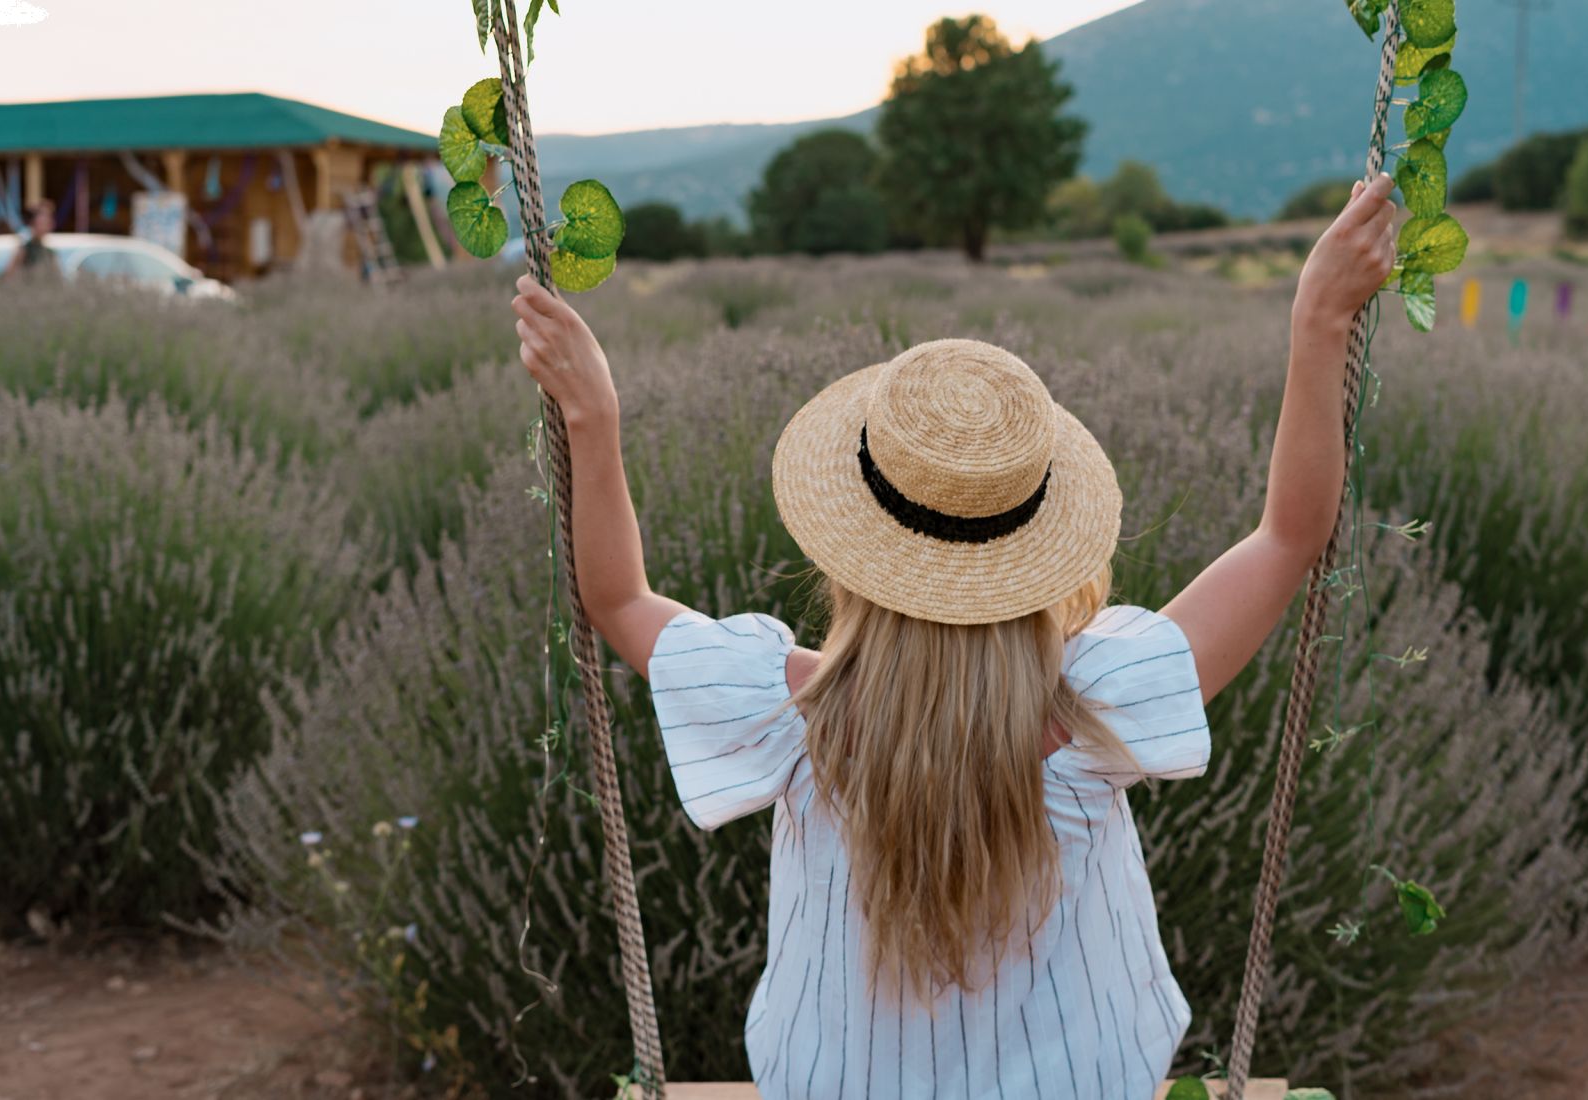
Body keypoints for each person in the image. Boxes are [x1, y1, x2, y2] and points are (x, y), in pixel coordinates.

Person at [510, 173, 1398, 1099]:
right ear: (1044, 546)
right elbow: (1288, 537)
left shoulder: (787, 713)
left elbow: (618, 600)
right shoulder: (1099, 709)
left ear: (852, 551)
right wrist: (1319, 320)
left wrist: (592, 415)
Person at [4, 199, 58, 280]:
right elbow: (9, 277)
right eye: (44, 220)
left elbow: (57, 279)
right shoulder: (24, 250)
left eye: (49, 219)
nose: (49, 223)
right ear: (33, 222)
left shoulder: (49, 253)